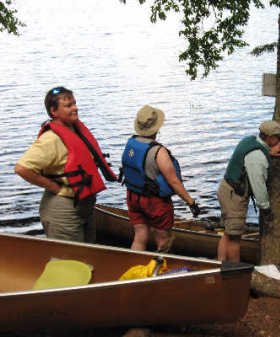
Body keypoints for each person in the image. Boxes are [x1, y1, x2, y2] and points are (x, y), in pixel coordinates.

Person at [15, 86, 117, 243]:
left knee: (89, 257)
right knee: (69, 262)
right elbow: (22, 168)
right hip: (63, 211)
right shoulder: (50, 139)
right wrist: (56, 188)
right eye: (68, 106)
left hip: (84, 207)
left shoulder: (76, 130)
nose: (75, 108)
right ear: (53, 111)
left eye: (75, 103)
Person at [121, 105, 201, 252]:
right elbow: (173, 181)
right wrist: (191, 202)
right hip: (153, 202)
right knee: (164, 240)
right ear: (157, 128)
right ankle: (159, 272)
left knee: (140, 235)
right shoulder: (159, 151)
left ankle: (135, 268)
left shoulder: (131, 143)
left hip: (133, 197)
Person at [217, 120, 280, 262]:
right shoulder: (257, 157)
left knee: (228, 233)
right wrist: (265, 208)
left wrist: (269, 152)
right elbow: (258, 185)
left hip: (226, 190)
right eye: (277, 137)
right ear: (269, 138)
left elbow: (256, 156)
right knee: (234, 237)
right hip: (234, 197)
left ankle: (220, 263)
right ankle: (234, 271)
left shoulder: (251, 141)